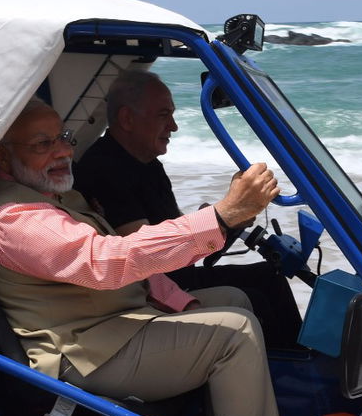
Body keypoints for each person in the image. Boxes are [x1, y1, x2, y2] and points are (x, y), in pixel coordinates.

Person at [0, 97, 309, 416]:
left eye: (63, 137)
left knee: (233, 299)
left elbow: (129, 265)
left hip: (109, 323)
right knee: (233, 333)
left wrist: (182, 302)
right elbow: (106, 261)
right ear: (3, 155)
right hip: (81, 351)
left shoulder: (50, 195)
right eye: (43, 144)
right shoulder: (14, 218)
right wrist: (220, 217)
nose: (62, 151)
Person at [74, 68, 304, 348]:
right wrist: (223, 216)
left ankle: (301, 362)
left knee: (271, 276)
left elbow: (171, 233)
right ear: (127, 119)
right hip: (151, 289)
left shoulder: (148, 164)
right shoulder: (105, 169)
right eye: (163, 115)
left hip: (177, 274)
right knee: (255, 299)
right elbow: (147, 254)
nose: (174, 126)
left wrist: (229, 218)